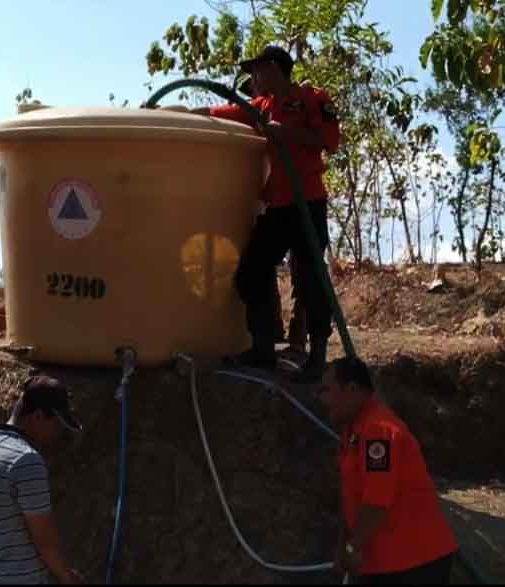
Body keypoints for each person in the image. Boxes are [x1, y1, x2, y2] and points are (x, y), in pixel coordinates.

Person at [191, 45, 341, 383]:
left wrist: (284, 132)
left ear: (275, 68)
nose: (253, 78)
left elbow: (329, 140)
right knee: (251, 271)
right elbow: (223, 111)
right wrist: (184, 112)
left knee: (311, 279)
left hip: (308, 203)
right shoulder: (261, 106)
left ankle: (317, 356)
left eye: (258, 71)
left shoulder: (313, 98)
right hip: (279, 207)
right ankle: (262, 349)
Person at [319, 357, 459, 584]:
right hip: (389, 563)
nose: (321, 399)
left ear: (352, 389)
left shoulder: (379, 432)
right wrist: (344, 545)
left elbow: (376, 500)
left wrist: (353, 546)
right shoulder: (354, 431)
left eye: (326, 390)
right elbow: (353, 498)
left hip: (414, 563)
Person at [0, 375, 84, 584]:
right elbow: (44, 538)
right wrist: (66, 576)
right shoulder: (26, 460)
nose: (57, 432)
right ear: (38, 416)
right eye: (56, 424)